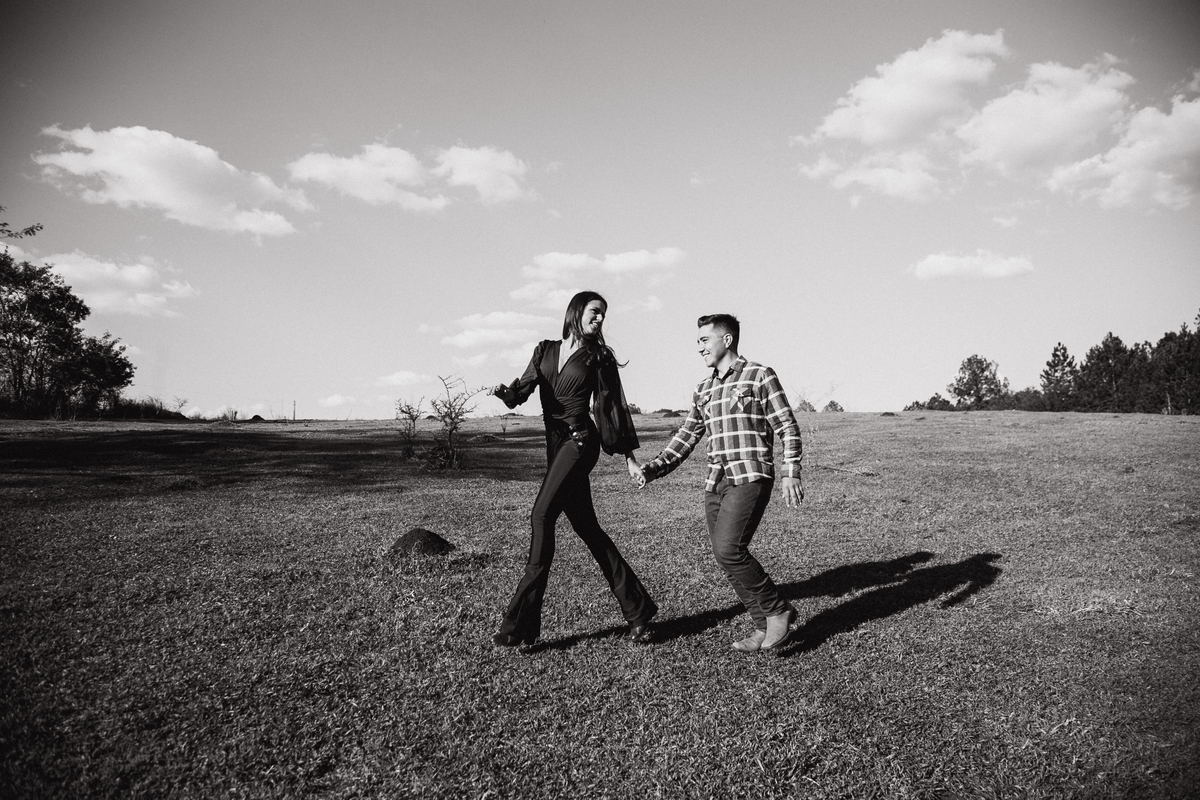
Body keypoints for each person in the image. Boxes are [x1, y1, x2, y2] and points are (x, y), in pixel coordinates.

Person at [490, 291, 658, 648]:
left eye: (603, 315)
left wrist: (629, 458)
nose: (600, 319)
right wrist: (505, 393)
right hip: (555, 447)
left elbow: (611, 408)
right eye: (595, 312)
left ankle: (519, 624)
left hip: (580, 442)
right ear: (576, 311)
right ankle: (639, 611)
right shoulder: (545, 350)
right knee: (587, 528)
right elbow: (521, 392)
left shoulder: (598, 356)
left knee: (541, 516)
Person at [636, 313, 804, 652]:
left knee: (730, 549)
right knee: (724, 557)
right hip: (717, 481)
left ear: (727, 339)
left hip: (750, 475)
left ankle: (778, 610)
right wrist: (654, 468)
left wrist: (791, 470)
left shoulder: (759, 375)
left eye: (704, 340)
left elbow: (786, 425)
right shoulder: (704, 388)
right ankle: (762, 626)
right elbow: (687, 435)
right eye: (697, 341)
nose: (699, 348)